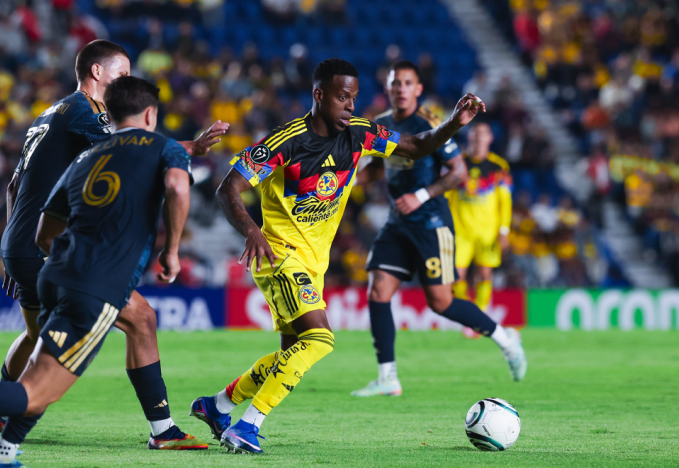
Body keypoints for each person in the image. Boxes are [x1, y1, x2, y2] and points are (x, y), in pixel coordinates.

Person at [0, 76, 202, 466]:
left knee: (45, 365)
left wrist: (66, 261)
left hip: (53, 274)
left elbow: (45, 230)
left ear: (107, 114)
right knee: (36, 392)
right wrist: (172, 251)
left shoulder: (84, 159)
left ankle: (3, 453)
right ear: (150, 113)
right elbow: (179, 190)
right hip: (95, 287)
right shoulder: (163, 148)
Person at [188, 58, 485, 454]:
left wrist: (453, 123)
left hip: (314, 263)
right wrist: (253, 231)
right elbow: (229, 188)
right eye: (343, 97)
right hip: (279, 255)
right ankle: (247, 426)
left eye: (355, 98)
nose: (350, 105)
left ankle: (218, 405)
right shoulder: (285, 141)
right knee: (320, 339)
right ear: (319, 95)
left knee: (289, 353)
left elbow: (414, 147)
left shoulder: (360, 134)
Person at [0, 40, 226, 449]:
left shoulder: (49, 113)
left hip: (24, 241)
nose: (128, 82)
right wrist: (192, 147)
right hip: (44, 245)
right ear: (97, 73)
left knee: (38, 337)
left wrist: (14, 245)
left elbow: (15, 184)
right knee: (141, 319)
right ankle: (163, 430)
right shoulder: (86, 110)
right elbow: (135, 149)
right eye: (122, 73)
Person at [350, 62, 527, 399]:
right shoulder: (382, 125)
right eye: (395, 83)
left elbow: (459, 173)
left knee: (441, 302)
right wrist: (342, 185)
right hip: (397, 222)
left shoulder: (430, 122)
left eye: (407, 83)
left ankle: (506, 339)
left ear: (418, 89)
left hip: (431, 222)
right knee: (378, 291)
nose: (401, 88)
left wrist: (421, 195)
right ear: (388, 89)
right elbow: (374, 169)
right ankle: (388, 377)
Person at [449, 123, 513, 319]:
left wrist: (504, 230)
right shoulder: (458, 164)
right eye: (475, 134)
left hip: (488, 231)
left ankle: (481, 314)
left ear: (490, 138)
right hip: (460, 230)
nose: (478, 138)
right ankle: (470, 314)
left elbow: (505, 201)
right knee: (456, 278)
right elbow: (447, 194)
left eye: (482, 134)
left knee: (485, 274)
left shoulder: (499, 166)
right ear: (469, 137)